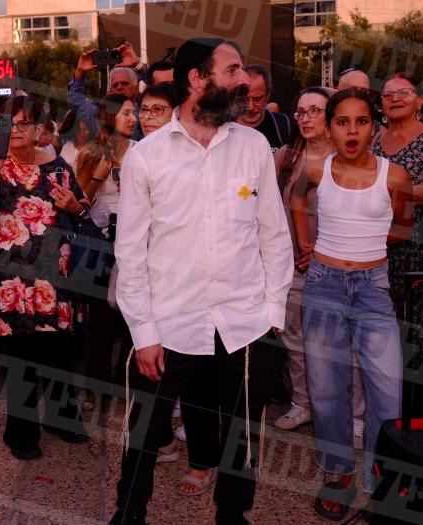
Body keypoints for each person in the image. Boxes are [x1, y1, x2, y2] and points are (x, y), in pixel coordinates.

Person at [111, 38, 293, 525]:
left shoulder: (254, 146)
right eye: (232, 70)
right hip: (168, 324)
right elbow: (130, 253)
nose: (244, 80)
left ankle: (232, 516)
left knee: (242, 435)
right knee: (144, 432)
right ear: (197, 79)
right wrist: (143, 332)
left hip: (244, 323)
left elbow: (274, 234)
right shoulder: (147, 156)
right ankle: (129, 514)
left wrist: (272, 312)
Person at [291, 88, 413, 520]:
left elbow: (403, 227)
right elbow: (297, 198)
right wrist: (305, 243)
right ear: (330, 127)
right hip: (323, 286)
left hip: (373, 288)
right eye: (342, 121)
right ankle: (339, 473)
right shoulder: (315, 168)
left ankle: (380, 479)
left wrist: (370, 247)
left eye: (361, 121)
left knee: (388, 391)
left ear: (373, 126)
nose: (352, 130)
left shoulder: (394, 175)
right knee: (327, 390)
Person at [0, 96, 91, 460]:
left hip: (54, 276)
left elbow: (82, 206)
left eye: (24, 123)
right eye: (7, 123)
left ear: (40, 128)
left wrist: (74, 206)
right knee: (20, 355)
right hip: (11, 280)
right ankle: (21, 433)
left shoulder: (58, 167)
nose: (15, 130)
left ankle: (61, 418)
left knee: (58, 351)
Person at [273, 87, 335, 431]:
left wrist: (323, 250)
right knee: (296, 341)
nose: (305, 118)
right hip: (292, 265)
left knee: (339, 345)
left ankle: (349, 414)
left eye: (315, 111)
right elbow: (256, 193)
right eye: (300, 112)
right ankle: (302, 404)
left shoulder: (349, 156)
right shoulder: (287, 156)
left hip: (337, 267)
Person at [74, 93, 137, 413]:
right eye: (126, 112)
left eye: (133, 112)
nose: (133, 118)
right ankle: (95, 389)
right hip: (100, 242)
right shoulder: (91, 152)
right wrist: (99, 175)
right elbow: (77, 201)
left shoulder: (142, 151)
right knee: (99, 322)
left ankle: (126, 382)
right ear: (109, 116)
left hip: (135, 241)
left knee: (132, 317)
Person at [371, 73, 422, 328]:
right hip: (378, 250)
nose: (395, 98)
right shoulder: (373, 141)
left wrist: (382, 192)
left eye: (404, 93)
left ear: (420, 101)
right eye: (388, 94)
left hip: (418, 250)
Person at [69, 42, 144, 140]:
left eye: (124, 83)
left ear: (136, 88)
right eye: (115, 85)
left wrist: (139, 65)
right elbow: (75, 101)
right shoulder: (100, 115)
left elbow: (162, 85)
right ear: (110, 90)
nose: (119, 87)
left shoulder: (148, 111)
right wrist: (80, 71)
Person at [236, 65, 290, 152]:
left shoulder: (281, 124)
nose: (250, 107)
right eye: (244, 99)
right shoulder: (224, 125)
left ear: (268, 94)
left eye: (257, 99)